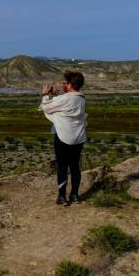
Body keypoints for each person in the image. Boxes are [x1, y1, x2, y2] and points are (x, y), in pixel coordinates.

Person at [39, 71, 87, 205]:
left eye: (65, 83)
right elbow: (66, 102)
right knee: (75, 166)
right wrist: (57, 95)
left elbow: (47, 107)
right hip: (78, 137)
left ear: (70, 84)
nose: (63, 85)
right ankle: (75, 195)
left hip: (63, 136)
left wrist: (45, 94)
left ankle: (62, 196)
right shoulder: (81, 98)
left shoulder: (65, 99)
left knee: (62, 166)